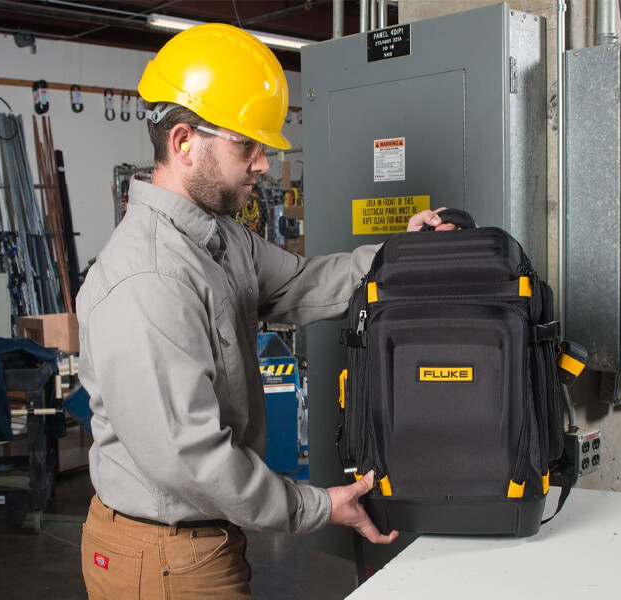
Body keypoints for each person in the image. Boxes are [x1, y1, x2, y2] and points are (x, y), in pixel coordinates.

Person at [76, 23, 454, 599]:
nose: (262, 164)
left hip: (200, 540)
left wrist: (399, 256)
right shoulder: (148, 279)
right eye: (245, 145)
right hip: (164, 557)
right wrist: (317, 504)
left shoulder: (220, 239)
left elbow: (302, 284)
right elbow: (193, 460)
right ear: (183, 143)